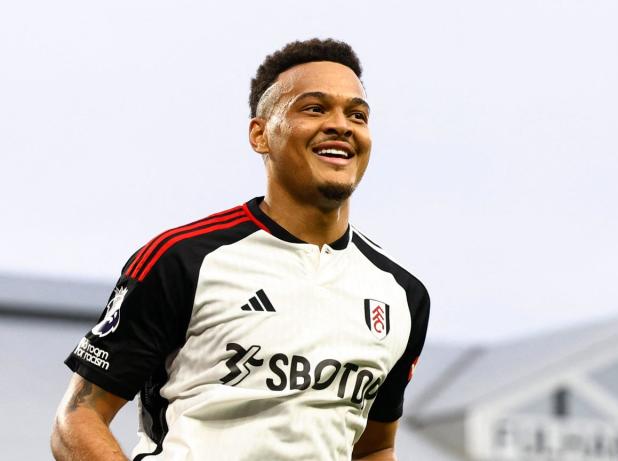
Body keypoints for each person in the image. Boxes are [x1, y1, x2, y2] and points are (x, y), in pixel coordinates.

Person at [51, 38, 430, 461]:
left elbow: (375, 447)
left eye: (356, 115)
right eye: (314, 108)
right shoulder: (182, 259)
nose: (341, 125)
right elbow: (78, 419)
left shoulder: (402, 295)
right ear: (260, 134)